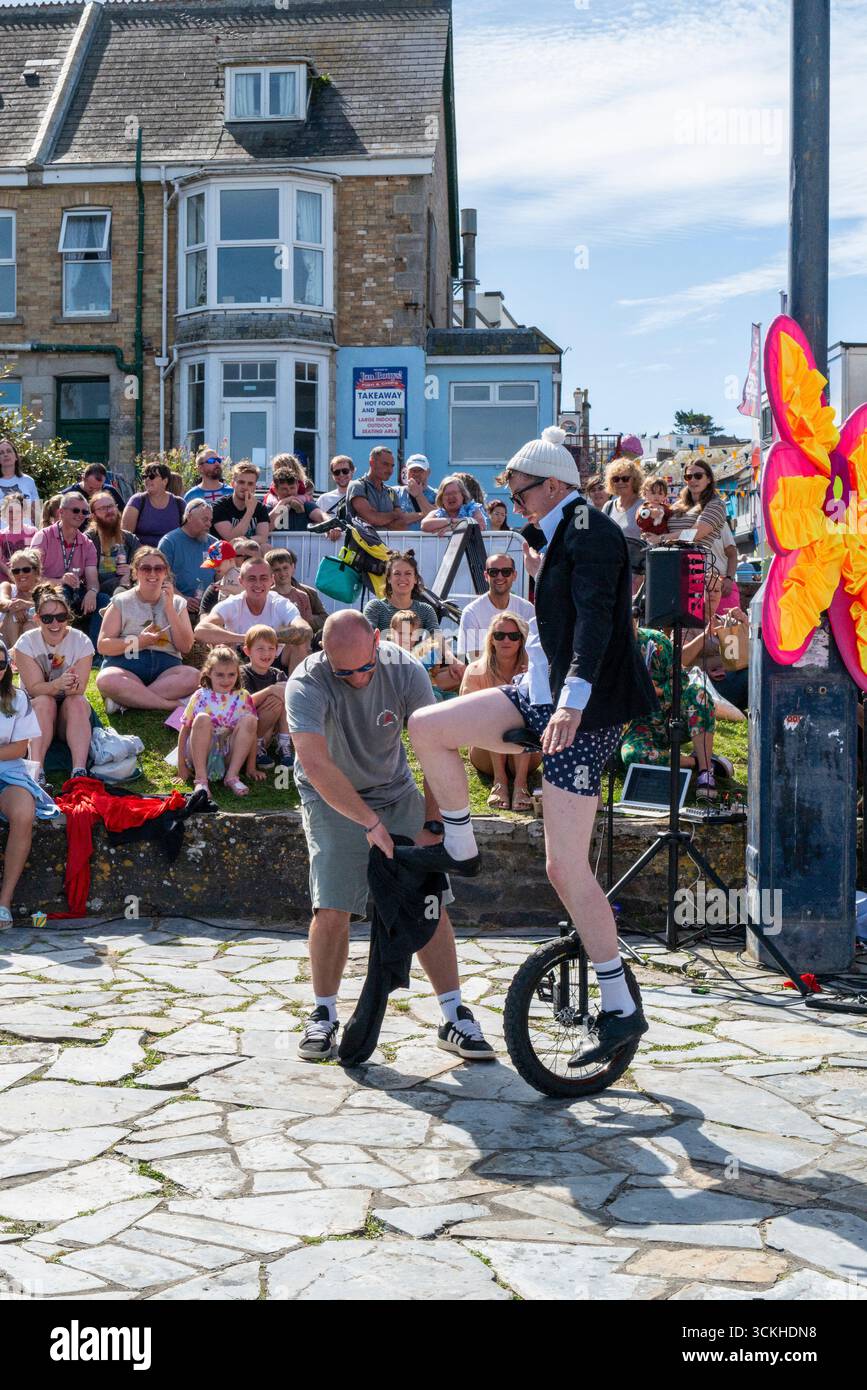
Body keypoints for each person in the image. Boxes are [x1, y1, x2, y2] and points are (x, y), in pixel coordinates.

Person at [397, 425, 657, 1069]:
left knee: (565, 868)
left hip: (585, 709)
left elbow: (598, 625)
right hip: (542, 692)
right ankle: (460, 839)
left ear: (553, 486)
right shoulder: (556, 534)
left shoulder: (593, 533)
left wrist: (569, 706)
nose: (514, 503)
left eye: (519, 491)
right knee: (429, 727)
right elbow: (559, 623)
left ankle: (620, 1003)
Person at [285, 609, 495, 1062]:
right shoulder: (306, 681)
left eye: (366, 667)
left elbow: (438, 747)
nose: (358, 679)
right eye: (346, 672)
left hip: (396, 791)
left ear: (377, 640)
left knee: (429, 900)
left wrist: (433, 825)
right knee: (333, 904)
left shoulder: (406, 669)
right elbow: (316, 765)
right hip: (331, 795)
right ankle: (322, 1014)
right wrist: (369, 823)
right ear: (325, 655)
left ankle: (454, 1014)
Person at [621, 617, 720, 798]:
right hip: (634, 729)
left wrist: (656, 691)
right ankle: (694, 762)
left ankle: (706, 772)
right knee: (633, 756)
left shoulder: (656, 641)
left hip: (669, 716)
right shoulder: (605, 649)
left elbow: (681, 681)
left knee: (699, 695)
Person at [95, 548, 199, 712]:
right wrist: (139, 642)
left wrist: (170, 608)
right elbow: (103, 645)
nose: (153, 573)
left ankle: (127, 701)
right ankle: (169, 704)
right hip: (127, 666)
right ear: (135, 573)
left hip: (166, 670)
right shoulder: (121, 602)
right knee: (106, 679)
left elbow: (185, 647)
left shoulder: (178, 603)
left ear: (166, 573)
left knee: (194, 677)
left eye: (159, 568)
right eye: (145, 568)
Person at [0, 637, 59, 926]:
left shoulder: (18, 698)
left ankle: (4, 903)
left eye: (0, 663)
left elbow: (18, 748)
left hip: (9, 772)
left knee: (24, 812)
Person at [13, 584, 94, 783]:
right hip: (38, 709)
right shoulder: (26, 643)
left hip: (70, 712)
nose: (55, 623)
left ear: (68, 617)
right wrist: (58, 683)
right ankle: (36, 771)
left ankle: (79, 772)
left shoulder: (81, 641)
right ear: (37, 619)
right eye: (48, 618)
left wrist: (72, 684)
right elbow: (33, 688)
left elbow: (80, 689)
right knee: (44, 701)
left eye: (61, 617)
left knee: (76, 700)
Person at [460, 612, 541, 811]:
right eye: (499, 635)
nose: (506, 640)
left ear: (522, 640)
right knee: (495, 718)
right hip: (485, 753)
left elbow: (543, 713)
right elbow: (467, 714)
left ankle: (520, 783)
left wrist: (528, 683)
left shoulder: (534, 670)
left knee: (522, 719)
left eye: (513, 636)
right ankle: (500, 782)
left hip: (527, 753)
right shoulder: (476, 670)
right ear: (491, 640)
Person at [194, 557, 312, 674]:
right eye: (252, 579)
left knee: (299, 645)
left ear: (272, 580)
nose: (258, 584)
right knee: (222, 648)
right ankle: (228, 691)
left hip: (276, 656)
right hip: (241, 658)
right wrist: (247, 638)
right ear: (241, 581)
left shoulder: (280, 603)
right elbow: (200, 630)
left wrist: (265, 640)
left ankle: (295, 690)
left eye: (263, 578)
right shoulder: (232, 604)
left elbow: (305, 630)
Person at [177, 645, 258, 798]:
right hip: (201, 754)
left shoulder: (243, 696)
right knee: (202, 718)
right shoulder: (200, 695)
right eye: (220, 675)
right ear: (209, 673)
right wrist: (181, 765)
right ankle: (201, 780)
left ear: (238, 673)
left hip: (228, 754)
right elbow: (185, 730)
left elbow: (251, 733)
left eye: (231, 674)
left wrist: (251, 767)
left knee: (250, 720)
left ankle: (232, 776)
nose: (226, 680)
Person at [682, 572, 750, 719]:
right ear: (697, 593)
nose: (712, 594)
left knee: (755, 672)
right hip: (706, 687)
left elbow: (742, 657)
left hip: (729, 681)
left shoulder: (727, 621)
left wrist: (746, 623)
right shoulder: (688, 623)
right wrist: (705, 635)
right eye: (707, 589)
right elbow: (683, 660)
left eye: (716, 591)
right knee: (749, 676)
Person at [31, 492, 99, 619]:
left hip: (76, 592)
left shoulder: (87, 544)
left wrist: (92, 591)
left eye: (84, 512)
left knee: (103, 599)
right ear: (61, 512)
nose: (80, 515)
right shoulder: (43, 537)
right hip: (47, 592)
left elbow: (93, 581)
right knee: (63, 591)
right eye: (75, 510)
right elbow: (32, 577)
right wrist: (60, 581)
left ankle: (96, 639)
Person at [85, 490, 140, 648]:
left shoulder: (129, 539)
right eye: (102, 509)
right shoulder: (89, 539)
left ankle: (133, 649)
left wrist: (130, 572)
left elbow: (143, 564)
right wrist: (120, 581)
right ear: (94, 515)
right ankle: (98, 653)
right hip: (96, 590)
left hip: (126, 588)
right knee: (103, 599)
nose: (108, 511)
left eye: (111, 506)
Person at [457, 552, 534, 659]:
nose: (500, 576)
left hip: (521, 673)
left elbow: (534, 652)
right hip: (486, 673)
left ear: (514, 575)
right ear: (486, 576)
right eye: (493, 572)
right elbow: (474, 659)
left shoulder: (527, 609)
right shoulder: (471, 612)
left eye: (506, 572)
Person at [240, 623, 293, 773]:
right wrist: (270, 690)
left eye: (271, 648)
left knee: (285, 692)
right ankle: (255, 747)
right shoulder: (243, 673)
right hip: (249, 727)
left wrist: (279, 690)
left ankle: (284, 744)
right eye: (260, 648)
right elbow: (243, 704)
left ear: (277, 651)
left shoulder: (277, 673)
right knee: (276, 696)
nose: (266, 653)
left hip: (270, 729)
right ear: (247, 651)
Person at [157, 498, 216, 618]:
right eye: (204, 519)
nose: (209, 524)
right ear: (189, 517)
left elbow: (221, 575)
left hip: (209, 606)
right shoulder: (169, 542)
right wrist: (183, 599)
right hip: (177, 606)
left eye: (210, 520)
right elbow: (162, 578)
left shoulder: (213, 543)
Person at [363, 551, 438, 636]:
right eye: (397, 573)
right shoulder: (375, 607)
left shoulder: (426, 610)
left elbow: (439, 642)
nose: (402, 578)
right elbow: (366, 639)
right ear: (389, 578)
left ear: (415, 579)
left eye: (408, 573)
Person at [346, 447, 415, 532]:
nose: (390, 470)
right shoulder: (357, 486)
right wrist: (394, 515)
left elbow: (402, 525)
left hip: (386, 545)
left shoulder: (391, 492)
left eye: (392, 466)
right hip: (360, 545)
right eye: (385, 464)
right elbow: (372, 518)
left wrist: (378, 518)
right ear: (372, 463)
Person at [602, 457, 645, 589]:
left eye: (625, 478)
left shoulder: (645, 506)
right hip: (611, 572)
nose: (620, 482)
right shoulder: (608, 506)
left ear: (635, 480)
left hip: (637, 575)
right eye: (616, 479)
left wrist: (642, 576)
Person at [266, 548, 327, 640]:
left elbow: (308, 625)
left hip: (299, 643)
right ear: (270, 572)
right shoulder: (267, 596)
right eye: (277, 570)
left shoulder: (304, 595)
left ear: (292, 567)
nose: (282, 573)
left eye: (285, 568)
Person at [121, 462, 185, 549]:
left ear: (164, 481)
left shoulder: (179, 504)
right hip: (142, 556)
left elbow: (188, 535)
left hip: (172, 557)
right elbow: (125, 537)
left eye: (152, 476)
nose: (147, 479)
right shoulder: (137, 501)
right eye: (145, 477)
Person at [211, 462, 271, 545]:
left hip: (250, 552)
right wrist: (250, 511)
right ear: (232, 484)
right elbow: (231, 538)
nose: (245, 487)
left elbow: (263, 538)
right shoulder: (219, 506)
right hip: (226, 553)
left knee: (265, 547)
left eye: (250, 484)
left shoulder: (260, 508)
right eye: (241, 482)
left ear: (255, 487)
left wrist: (246, 539)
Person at [266, 468, 333, 533]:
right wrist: (283, 503)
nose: (289, 492)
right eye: (284, 489)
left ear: (297, 486)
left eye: (292, 488)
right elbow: (266, 528)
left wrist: (332, 526)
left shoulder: (307, 505)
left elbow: (321, 516)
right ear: (275, 490)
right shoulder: (269, 507)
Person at [0, 548, 41, 648]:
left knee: (30, 625)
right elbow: (2, 601)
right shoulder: (8, 587)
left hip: (34, 643)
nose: (21, 574)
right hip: (7, 641)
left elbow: (51, 607)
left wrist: (26, 605)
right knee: (12, 616)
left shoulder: (42, 592)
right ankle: (14, 658)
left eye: (26, 570)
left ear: (36, 571)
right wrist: (14, 607)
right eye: (16, 571)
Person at [421, 475, 488, 534]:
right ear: (441, 498)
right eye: (447, 494)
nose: (450, 497)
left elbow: (480, 525)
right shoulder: (438, 513)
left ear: (462, 495)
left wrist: (453, 527)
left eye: (454, 493)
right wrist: (451, 521)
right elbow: (424, 525)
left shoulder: (472, 509)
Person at [0, 437, 40, 526]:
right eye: (1, 453)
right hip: (2, 537)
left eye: (9, 451)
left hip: (27, 536)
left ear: (16, 457)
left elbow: (38, 515)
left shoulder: (28, 481)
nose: (5, 455)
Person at [395, 454, 437, 531]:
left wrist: (419, 495)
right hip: (401, 542)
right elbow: (395, 520)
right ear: (406, 472)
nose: (416, 474)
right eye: (413, 470)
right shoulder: (395, 493)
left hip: (428, 542)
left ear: (428, 472)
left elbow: (438, 518)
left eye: (420, 470)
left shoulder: (437, 495)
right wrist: (425, 512)